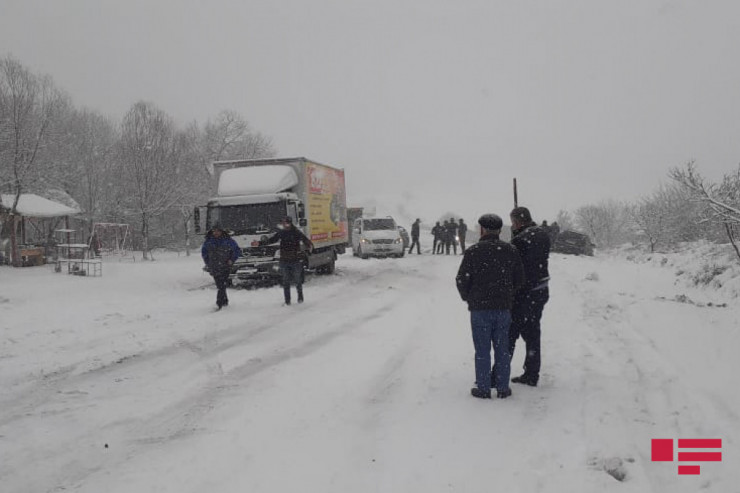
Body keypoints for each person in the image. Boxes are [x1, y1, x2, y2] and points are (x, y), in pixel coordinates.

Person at [456, 214, 524, 399]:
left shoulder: (473, 251)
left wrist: (469, 298)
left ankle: (484, 388)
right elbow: (520, 279)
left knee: (482, 349)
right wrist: (508, 295)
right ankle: (503, 387)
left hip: (479, 309)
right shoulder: (510, 251)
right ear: (500, 230)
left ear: (482, 229)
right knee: (502, 349)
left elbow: (462, 280)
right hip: (503, 308)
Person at [508, 207, 551, 387]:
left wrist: (515, 237)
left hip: (523, 293)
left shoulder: (520, 239)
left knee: (510, 333)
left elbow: (515, 265)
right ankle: (532, 373)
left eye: (513, 222)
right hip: (540, 290)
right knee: (533, 332)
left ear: (517, 221)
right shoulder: (542, 234)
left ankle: (500, 373)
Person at [259, 216, 314, 305]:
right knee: (286, 281)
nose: (283, 225)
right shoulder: (282, 233)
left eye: (285, 223)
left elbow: (307, 242)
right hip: (284, 260)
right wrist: (261, 243)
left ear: (289, 223)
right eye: (283, 223)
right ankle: (287, 301)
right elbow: (273, 240)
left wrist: (308, 251)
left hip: (295, 260)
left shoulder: (296, 232)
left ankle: (300, 298)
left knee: (297, 281)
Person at [201, 224, 241, 310]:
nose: (216, 233)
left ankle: (219, 303)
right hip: (214, 266)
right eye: (214, 231)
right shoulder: (208, 241)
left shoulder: (228, 241)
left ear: (221, 231)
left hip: (226, 266)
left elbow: (237, 251)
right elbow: (204, 253)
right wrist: (208, 263)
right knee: (220, 285)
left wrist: (232, 259)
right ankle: (224, 301)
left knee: (222, 285)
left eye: (218, 231)